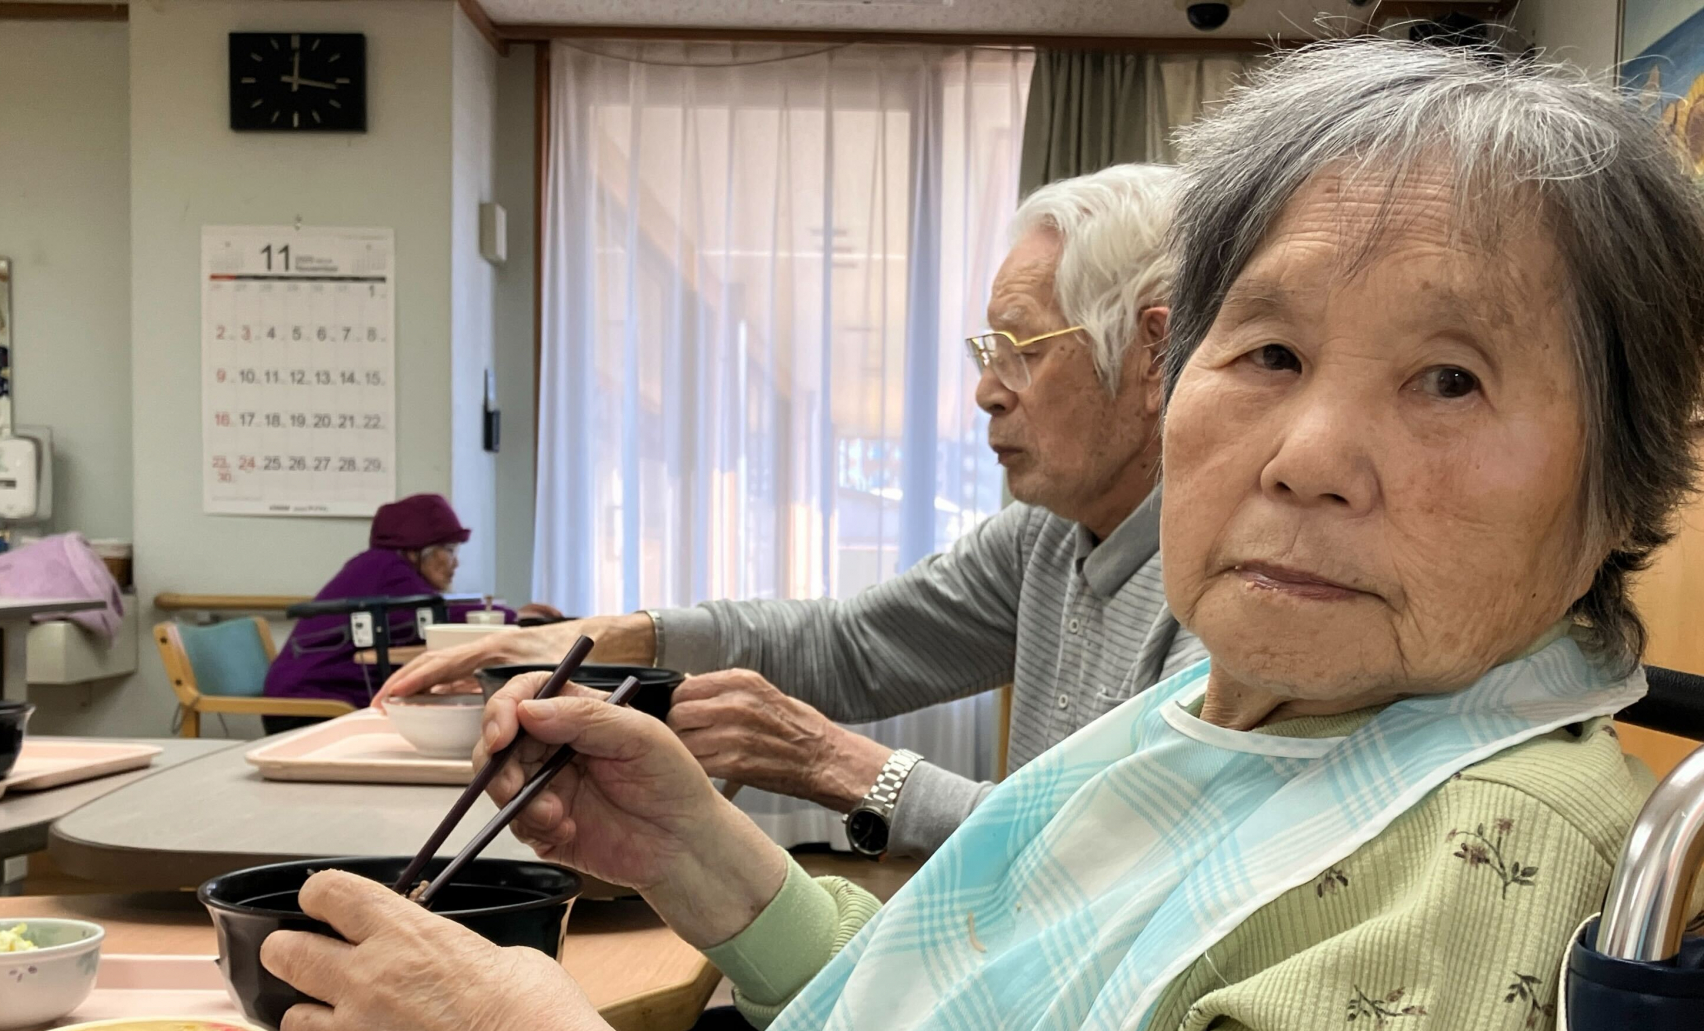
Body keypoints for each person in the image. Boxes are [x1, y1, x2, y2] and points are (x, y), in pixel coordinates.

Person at [260, 40, 1704, 1031]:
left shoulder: (1470, 855)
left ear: (1623, 480)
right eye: (1270, 351)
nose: (1309, 457)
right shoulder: (1238, 699)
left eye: (1451, 378)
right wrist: (702, 858)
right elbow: (1024, 1026)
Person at [378, 164, 1207, 858]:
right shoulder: (1046, 539)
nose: (987, 391)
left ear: (1154, 354)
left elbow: (1111, 858)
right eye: (986, 354)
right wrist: (598, 640)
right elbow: (852, 645)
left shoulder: (1225, 580)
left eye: (1018, 351)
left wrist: (831, 762)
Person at [262, 494, 557, 715]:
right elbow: (444, 616)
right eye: (449, 550)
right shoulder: (388, 570)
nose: (455, 563)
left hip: (311, 693)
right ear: (418, 551)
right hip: (307, 704)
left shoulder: (381, 567)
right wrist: (514, 617)